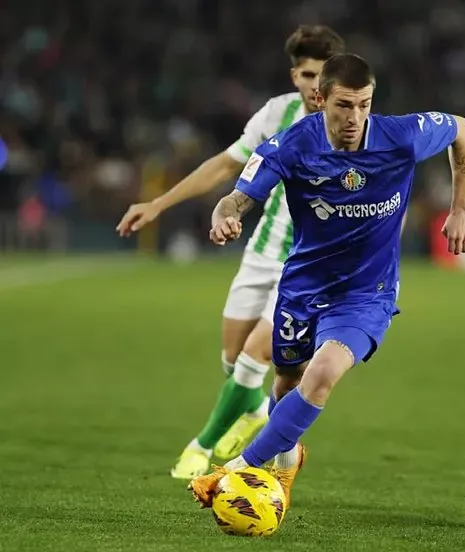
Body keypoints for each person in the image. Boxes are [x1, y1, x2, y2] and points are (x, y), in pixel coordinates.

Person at [187, 53, 465, 510]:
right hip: (303, 288)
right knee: (286, 384)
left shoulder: (401, 136)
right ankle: (283, 467)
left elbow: (461, 128)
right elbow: (237, 197)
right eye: (344, 105)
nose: (355, 117)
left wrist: (461, 206)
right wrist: (226, 215)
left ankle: (239, 469)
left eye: (364, 104)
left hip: (367, 294)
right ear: (320, 99)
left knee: (322, 375)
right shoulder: (292, 144)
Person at [115, 25, 346, 481]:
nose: (311, 85)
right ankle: (262, 410)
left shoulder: (350, 125)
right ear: (294, 74)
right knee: (232, 359)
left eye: (321, 75)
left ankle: (200, 450)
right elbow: (225, 164)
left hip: (306, 262)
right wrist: (158, 203)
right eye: (304, 74)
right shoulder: (276, 113)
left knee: (254, 359)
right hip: (262, 252)